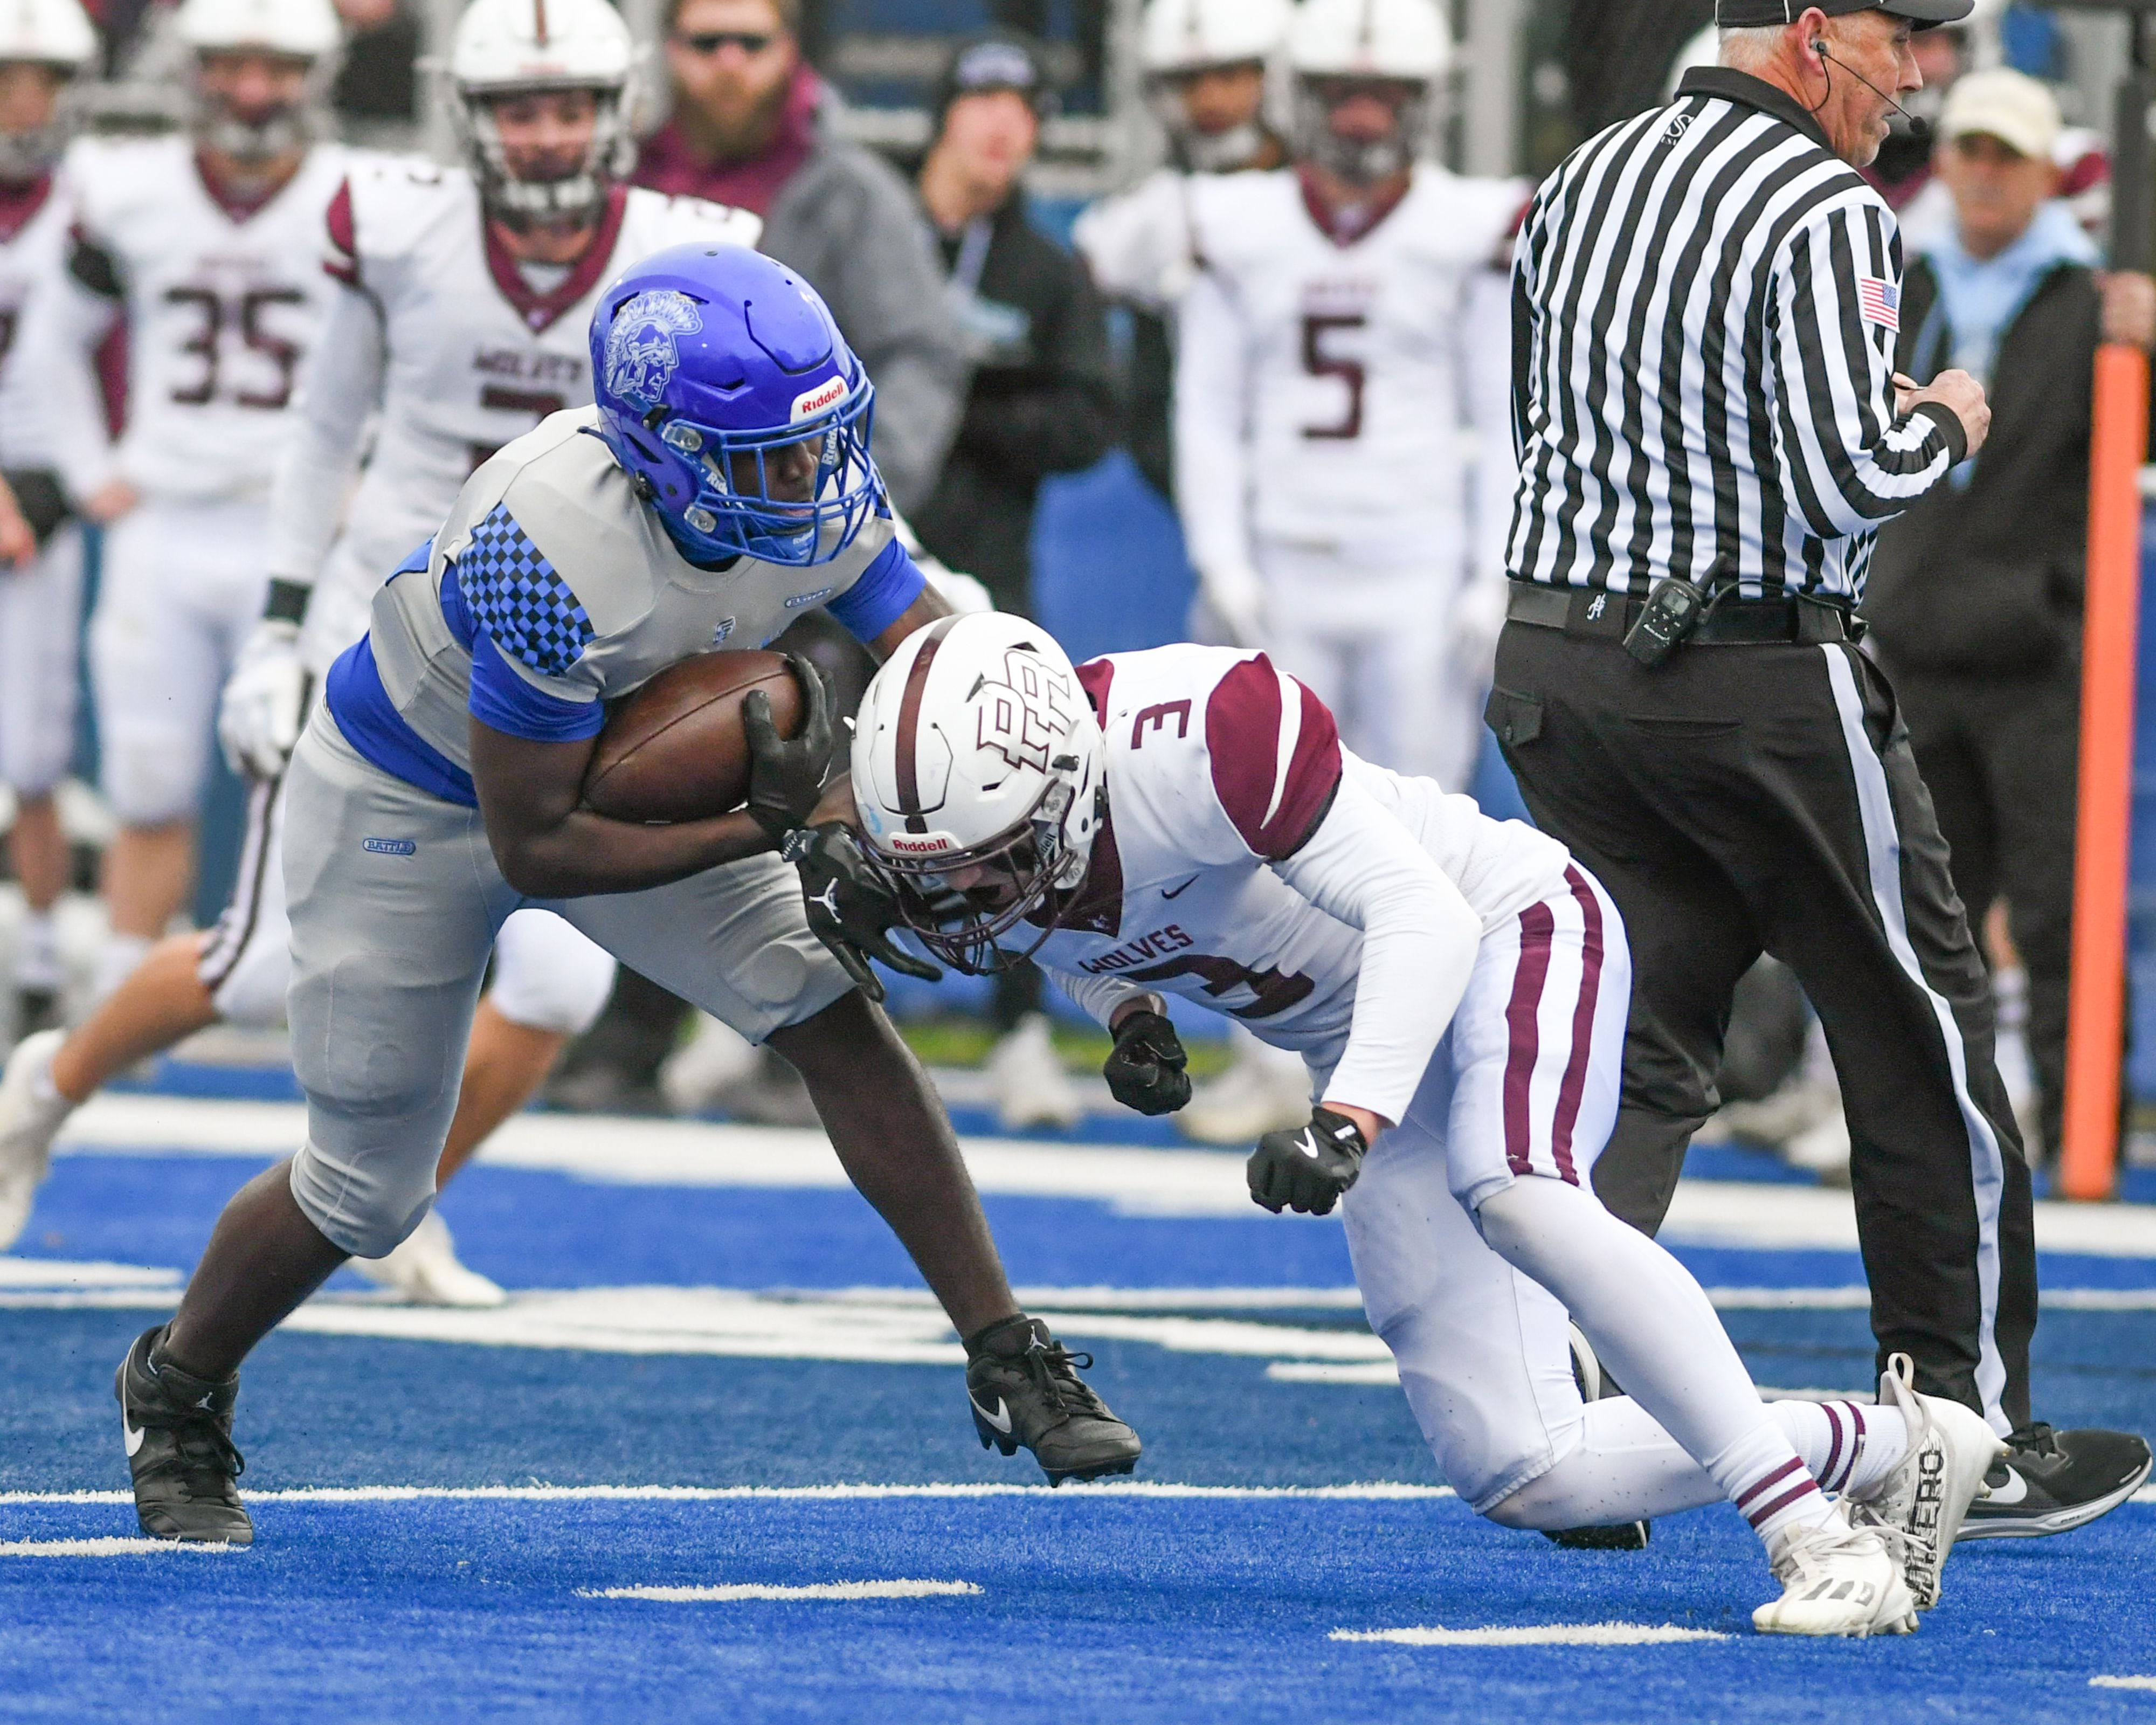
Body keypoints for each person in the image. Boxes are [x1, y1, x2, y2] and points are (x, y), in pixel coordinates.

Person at [106, 245, 1141, 1547]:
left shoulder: (812, 489)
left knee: (831, 1012)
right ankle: (176, 1386)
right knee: (368, 1189)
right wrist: (774, 820)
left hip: (621, 790)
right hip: (409, 802)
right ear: (661, 450)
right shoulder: (548, 540)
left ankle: (1006, 1350)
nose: (804, 479)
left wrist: (933, 813)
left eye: (815, 442)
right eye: (763, 455)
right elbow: (534, 844)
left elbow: (936, 656)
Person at [826, 611, 2005, 1636]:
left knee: (1522, 1195)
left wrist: (1347, 1119)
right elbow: (1063, 930)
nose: (976, 899)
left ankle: (1816, 1540)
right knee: (1523, 1466)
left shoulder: (1205, 732)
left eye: (994, 865)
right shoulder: (989, 845)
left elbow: (1425, 919)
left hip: (1508, 931)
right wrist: (1129, 1013)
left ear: (1070, 781)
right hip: (1366, 1040)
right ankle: (1901, 1445)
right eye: (953, 879)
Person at [1488, 0, 2150, 1538]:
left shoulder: (1587, 171)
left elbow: (1536, 420)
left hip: (1556, 664)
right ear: (1807, 30)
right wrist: (1950, 418)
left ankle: (1574, 1421)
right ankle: (1966, 1432)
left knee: (1635, 1052)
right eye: (1903, 37)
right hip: (1746, 677)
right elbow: (1852, 480)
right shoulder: (1821, 204)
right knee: (1917, 1038)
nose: (1916, 78)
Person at [0, 0, 771, 1301]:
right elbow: (324, 429)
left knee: (557, 986)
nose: (544, 133)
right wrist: (281, 628)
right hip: (396, 633)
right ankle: (44, 1085)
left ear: (614, 108)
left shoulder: (684, 249)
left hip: (574, 653)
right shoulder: (404, 230)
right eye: (520, 108)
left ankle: (404, 1202)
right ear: (470, 118)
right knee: (256, 972)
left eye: (567, 105)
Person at [1167, 0, 1520, 1144]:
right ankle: (1269, 1063)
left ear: (1424, 105)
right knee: (1247, 825)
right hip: (1281, 567)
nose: (1361, 120)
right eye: (1341, 96)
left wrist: (1489, 572)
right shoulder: (1240, 222)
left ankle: (1411, 1067)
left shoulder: (1466, 228)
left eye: (1383, 99)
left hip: (1417, 570)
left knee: (1421, 837)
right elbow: (1206, 410)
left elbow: (1500, 411)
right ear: (1301, 98)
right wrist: (1220, 556)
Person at [12, 0, 346, 1015]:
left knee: (311, 778)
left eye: (277, 67)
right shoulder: (130, 192)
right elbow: (50, 340)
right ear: (193, 71)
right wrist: (85, 471)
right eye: (232, 65)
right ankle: (122, 998)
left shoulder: (359, 199)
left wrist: (372, 472)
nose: (253, 91)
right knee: (150, 780)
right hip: (168, 517)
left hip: (298, 529)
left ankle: (297, 1001)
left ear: (315, 74)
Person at [1862, 68, 2156, 1170]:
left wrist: (2151, 344)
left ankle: (2084, 1132)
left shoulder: (2099, 304)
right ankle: (1926, 1126)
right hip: (1914, 644)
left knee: (2056, 905)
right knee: (1915, 913)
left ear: (2044, 173)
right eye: (1968, 151)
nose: (1982, 173)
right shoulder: (1893, 279)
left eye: (2004, 155)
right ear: (1943, 161)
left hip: (2041, 658)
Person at [908, 32, 1115, 1131]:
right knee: (797, 778)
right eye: (982, 101)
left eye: (1024, 110)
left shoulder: (1042, 266)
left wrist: (970, 408)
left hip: (985, 566)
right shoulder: (877, 227)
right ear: (943, 111)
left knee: (1012, 796)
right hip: (854, 555)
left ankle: (1021, 1029)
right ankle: (754, 1020)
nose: (1002, 126)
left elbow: (1090, 416)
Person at [633, 0, 966, 516]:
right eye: (706, 43)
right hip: (643, 512)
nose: (729, 63)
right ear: (670, 50)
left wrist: (837, 504)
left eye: (751, 43)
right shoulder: (624, 185)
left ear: (790, 48)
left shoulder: (854, 195)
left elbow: (919, 357)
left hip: (799, 523)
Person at [1072, 0, 1291, 506]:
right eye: (1188, 81)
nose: (1209, 99)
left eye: (1229, 75)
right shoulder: (1147, 215)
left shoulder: (1325, 198)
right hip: (1207, 478)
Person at [0, 0, 96, 1045]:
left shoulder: (89, 203)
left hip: (42, 492)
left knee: (32, 747)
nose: (23, 104)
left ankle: (32, 965)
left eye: (41, 82)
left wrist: (82, 474)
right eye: (7, 81)